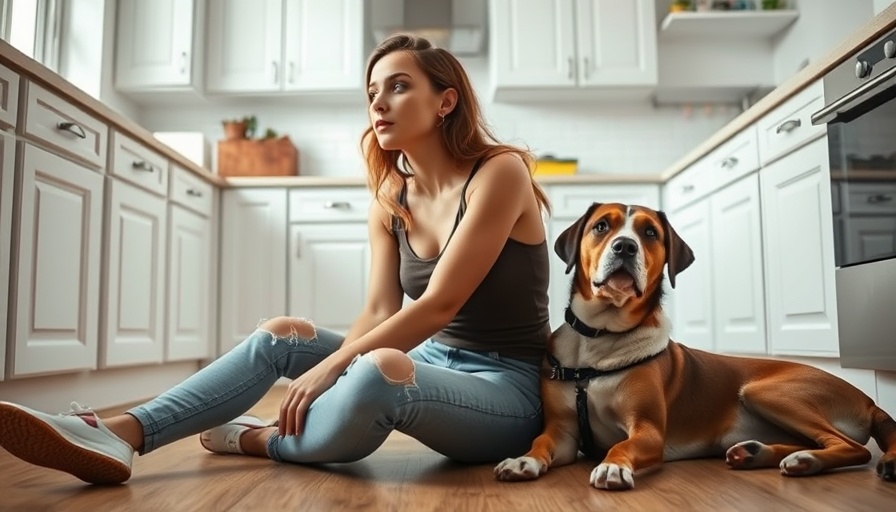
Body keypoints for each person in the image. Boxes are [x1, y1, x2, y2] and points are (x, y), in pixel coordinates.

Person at [0, 33, 553, 485]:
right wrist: (323, 363)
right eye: (372, 92)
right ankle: (122, 433)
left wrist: (333, 368)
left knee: (379, 371)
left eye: (400, 87)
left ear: (446, 100)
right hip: (432, 359)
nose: (378, 104)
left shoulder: (500, 172)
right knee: (281, 335)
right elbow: (379, 312)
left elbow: (438, 304)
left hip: (506, 388)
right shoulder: (391, 200)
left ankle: (258, 438)